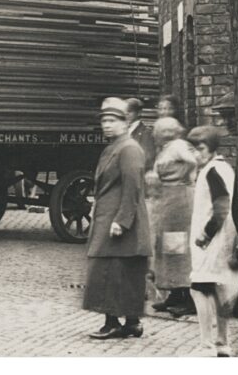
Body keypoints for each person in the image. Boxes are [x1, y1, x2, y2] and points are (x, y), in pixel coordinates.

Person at [83, 97, 152, 339]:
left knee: (112, 271)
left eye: (112, 121)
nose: (107, 125)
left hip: (121, 222)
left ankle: (114, 322)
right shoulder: (113, 147)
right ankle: (130, 322)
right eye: (104, 121)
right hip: (108, 218)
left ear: (125, 123)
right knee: (120, 271)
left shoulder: (129, 149)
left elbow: (133, 187)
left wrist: (121, 221)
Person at [187, 125, 238, 357]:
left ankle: (206, 346)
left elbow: (221, 207)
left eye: (200, 148)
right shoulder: (223, 168)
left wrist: (205, 235)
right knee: (218, 289)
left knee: (199, 289)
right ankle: (222, 343)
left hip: (211, 242)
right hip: (224, 241)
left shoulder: (212, 171)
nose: (196, 154)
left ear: (211, 148)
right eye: (193, 149)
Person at [147, 118, 198, 315]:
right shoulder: (167, 148)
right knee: (169, 249)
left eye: (157, 131)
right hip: (169, 201)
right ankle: (174, 293)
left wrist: (188, 178)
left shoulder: (178, 146)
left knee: (178, 249)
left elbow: (193, 161)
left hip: (179, 202)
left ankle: (187, 298)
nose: (154, 135)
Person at [126, 97, 156, 172]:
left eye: (129, 111)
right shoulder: (122, 131)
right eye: (124, 112)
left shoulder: (147, 133)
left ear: (139, 112)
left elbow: (147, 158)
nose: (126, 114)